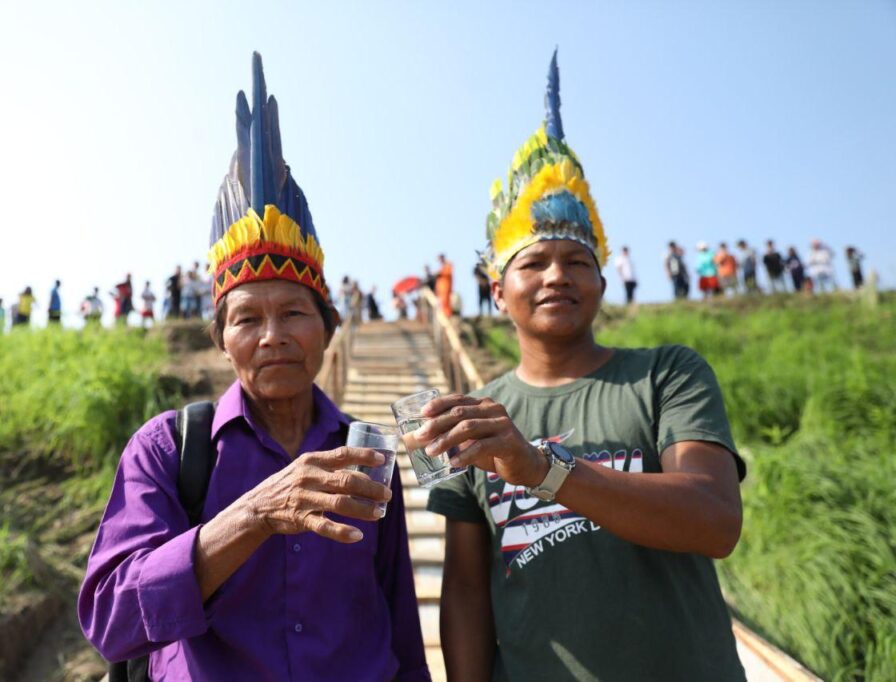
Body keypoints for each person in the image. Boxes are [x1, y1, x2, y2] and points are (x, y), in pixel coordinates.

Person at [79, 55, 428, 681]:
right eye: (246, 320)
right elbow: (111, 620)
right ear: (220, 339)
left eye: (294, 312)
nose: (272, 337)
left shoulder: (367, 458)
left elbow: (400, 624)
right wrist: (254, 515)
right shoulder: (169, 449)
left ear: (330, 328)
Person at [422, 51, 746, 682]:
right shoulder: (472, 419)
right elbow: (464, 588)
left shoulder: (666, 375)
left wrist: (542, 469)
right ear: (496, 292)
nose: (556, 276)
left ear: (601, 282)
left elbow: (714, 519)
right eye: (534, 262)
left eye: (576, 261)